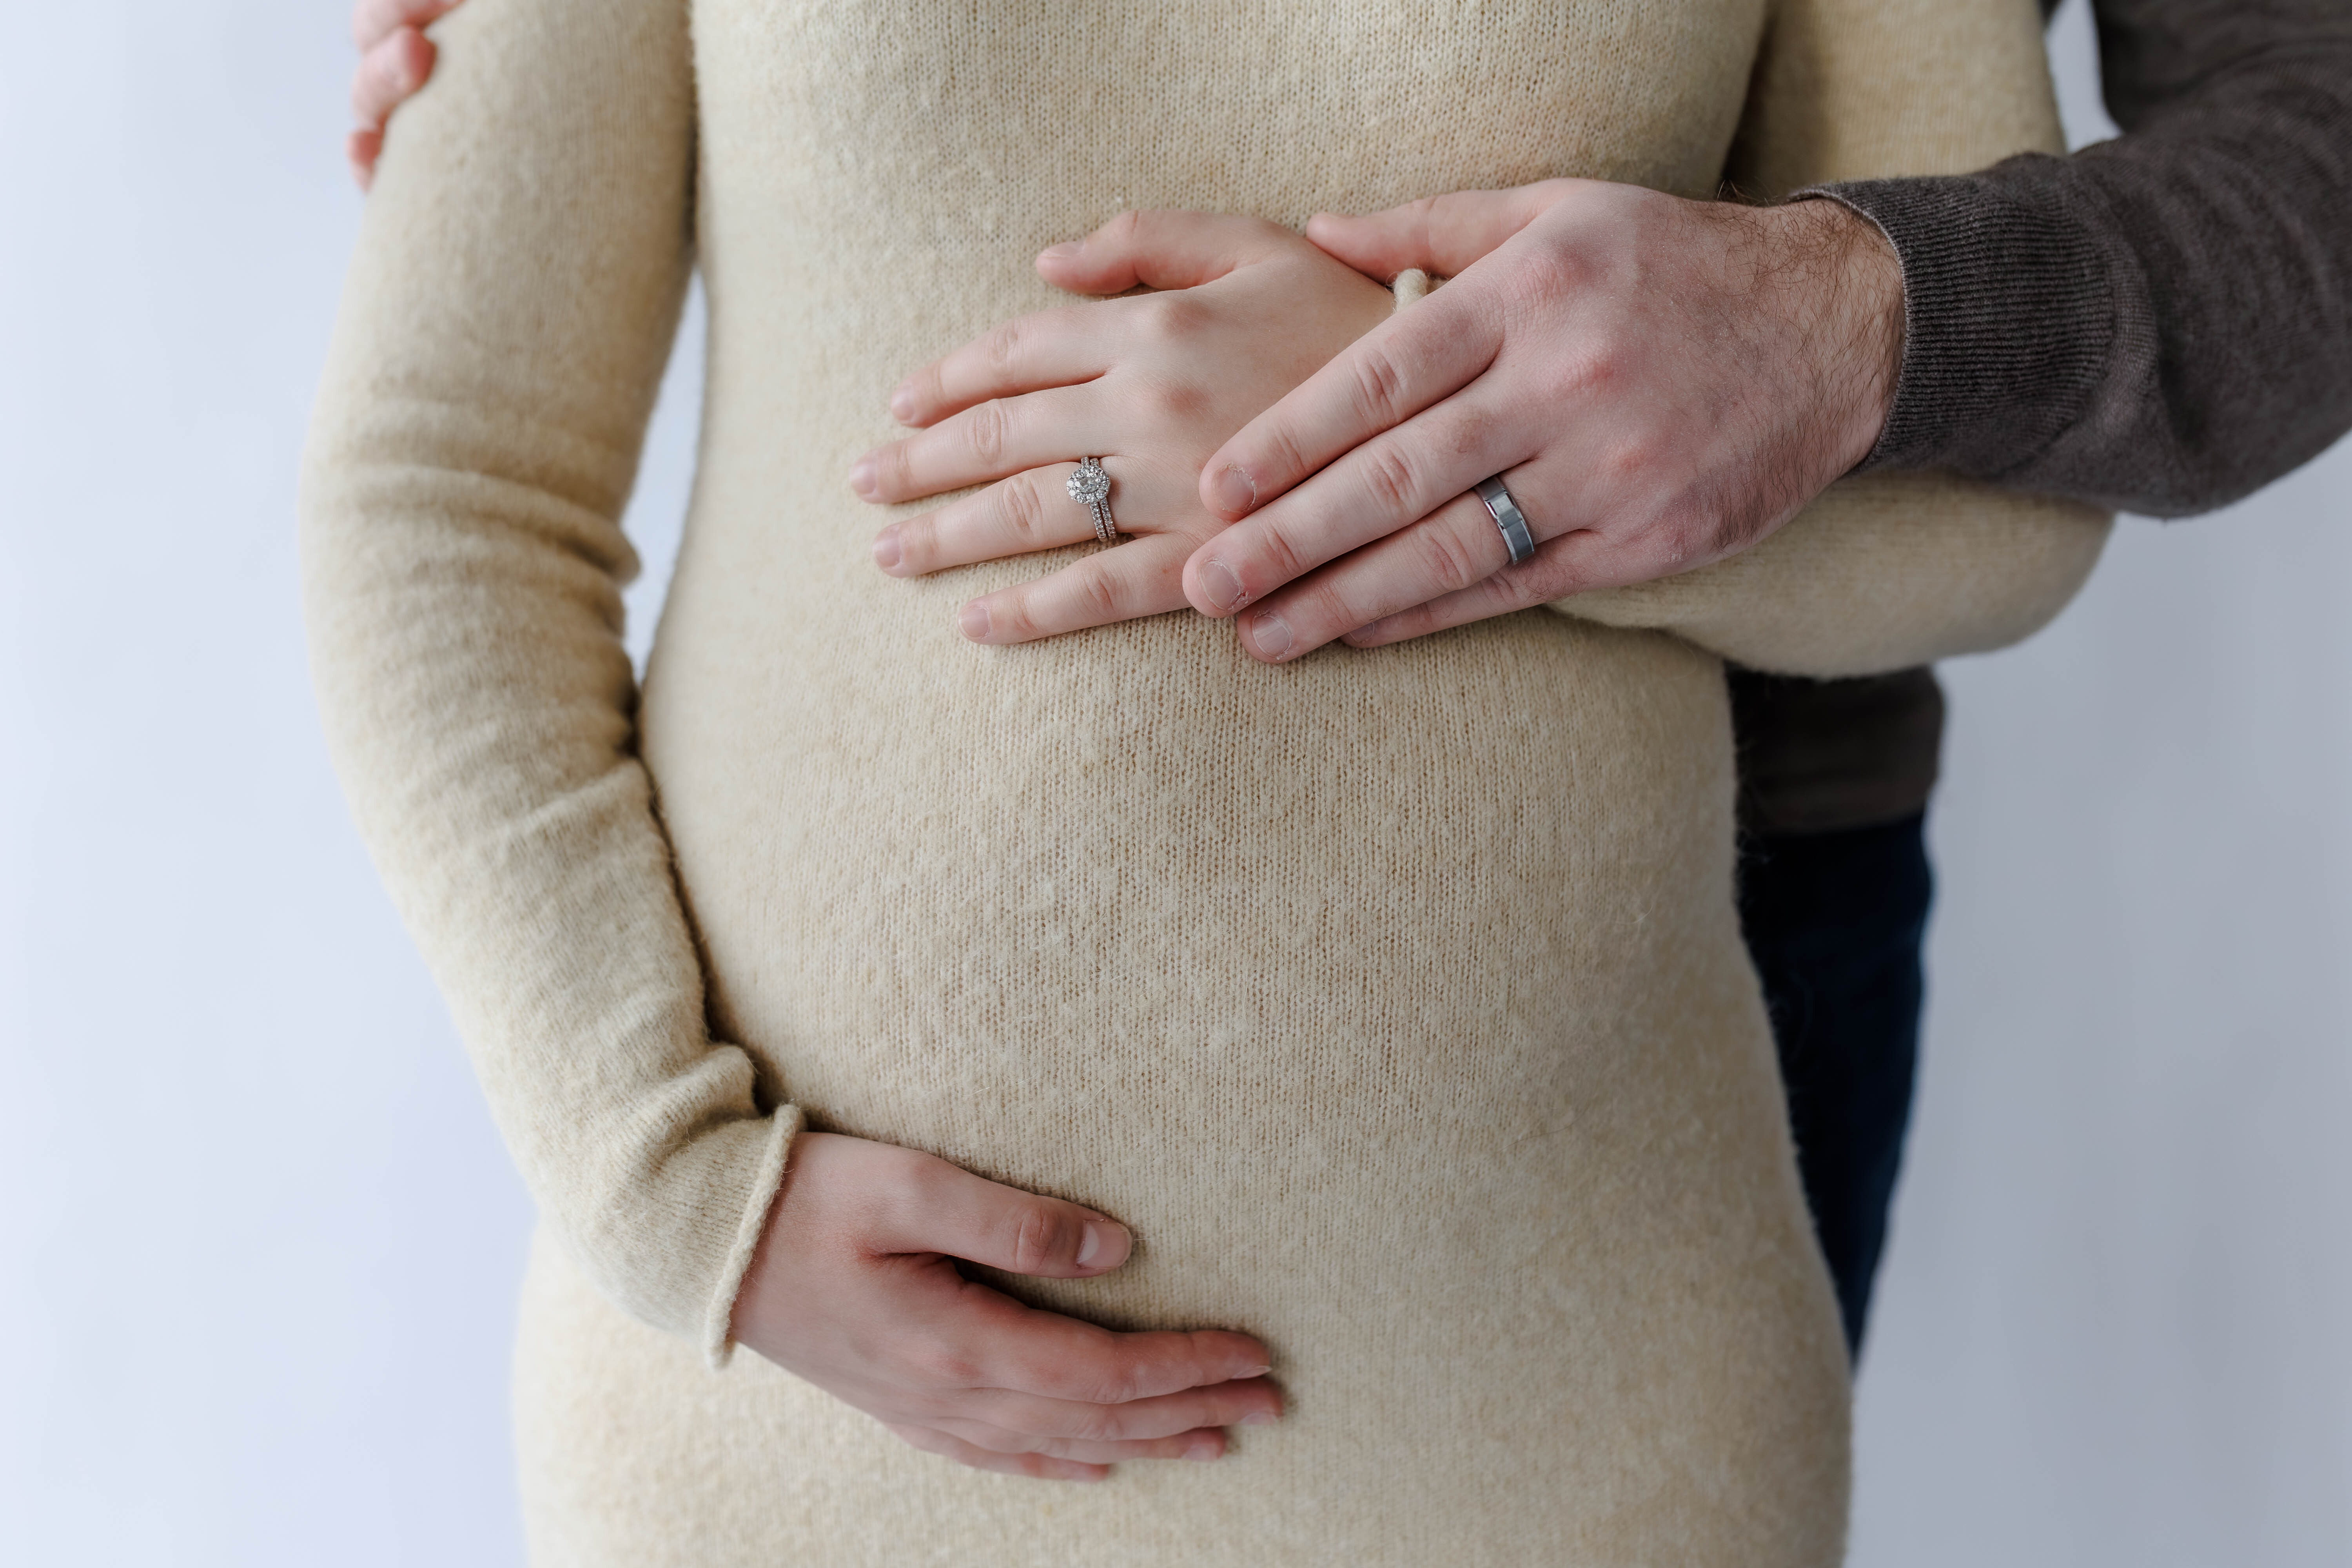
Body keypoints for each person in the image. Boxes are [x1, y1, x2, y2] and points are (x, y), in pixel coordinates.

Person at [302, 0, 2103, 1560]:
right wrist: (674, 1190)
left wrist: (1429, 440)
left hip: (1559, 1428)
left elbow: (1991, 518)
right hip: (782, 1441)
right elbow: (446, 487)